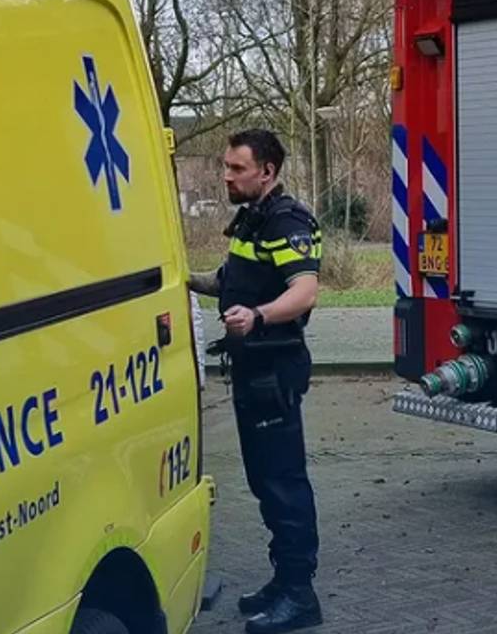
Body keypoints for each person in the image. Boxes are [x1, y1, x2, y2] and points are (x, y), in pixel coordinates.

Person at [189, 129, 324, 633]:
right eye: (226, 166)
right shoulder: (252, 220)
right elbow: (230, 280)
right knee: (263, 479)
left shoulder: (287, 220)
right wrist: (180, 278)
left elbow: (304, 291)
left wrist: (260, 316)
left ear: (266, 171)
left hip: (275, 369)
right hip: (252, 370)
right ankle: (281, 579)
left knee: (283, 481)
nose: (226, 175)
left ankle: (299, 594)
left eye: (236, 168)